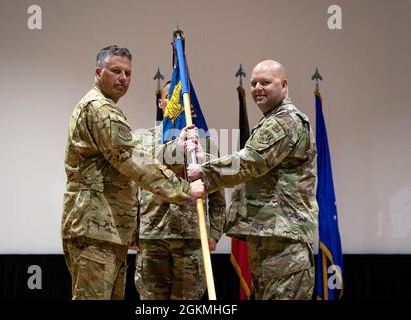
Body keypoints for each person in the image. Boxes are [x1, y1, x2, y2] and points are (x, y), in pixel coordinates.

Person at [61, 45, 205, 300]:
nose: (123, 78)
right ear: (98, 72)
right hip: (95, 228)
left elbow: (132, 151)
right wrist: (184, 190)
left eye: (128, 73)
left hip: (106, 229)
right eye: (116, 71)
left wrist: (176, 147)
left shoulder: (108, 108)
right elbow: (131, 160)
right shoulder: (99, 108)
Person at [187, 60, 318, 300]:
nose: (257, 88)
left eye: (265, 82)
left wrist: (203, 172)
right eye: (254, 83)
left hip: (284, 242)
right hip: (270, 238)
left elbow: (251, 162)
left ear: (284, 85)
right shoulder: (271, 120)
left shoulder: (286, 120)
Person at [133, 81, 226, 300]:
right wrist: (133, 231)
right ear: (161, 103)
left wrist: (214, 233)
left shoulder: (205, 142)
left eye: (182, 98)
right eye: (171, 98)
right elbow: (135, 184)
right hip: (152, 237)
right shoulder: (143, 139)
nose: (178, 104)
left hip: (192, 240)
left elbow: (218, 196)